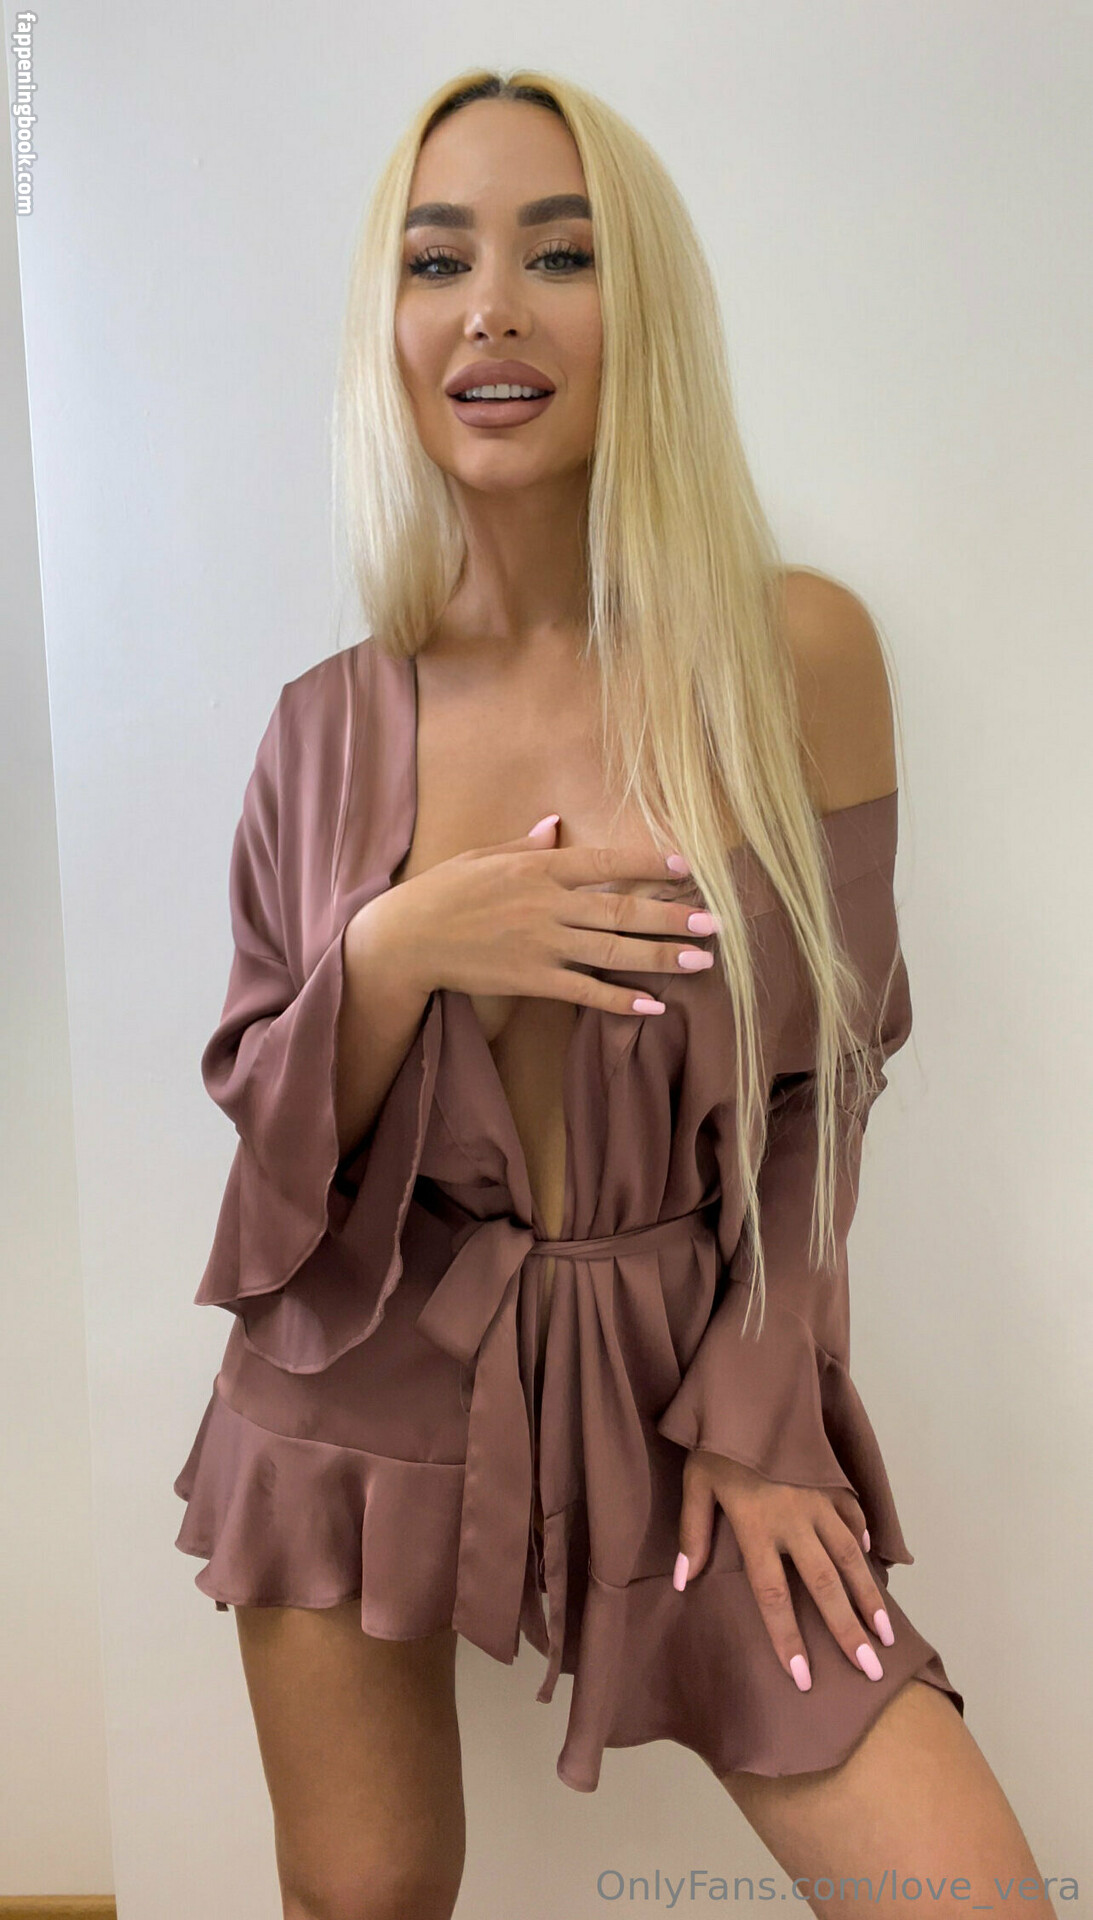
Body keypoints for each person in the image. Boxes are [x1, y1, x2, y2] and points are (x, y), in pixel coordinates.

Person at [173, 68, 1056, 1920]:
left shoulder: (792, 652)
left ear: (638, 305)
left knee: (965, 1895)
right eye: (438, 261)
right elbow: (272, 1159)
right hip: (358, 1375)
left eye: (558, 254)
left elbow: (829, 1086)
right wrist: (401, 949)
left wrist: (763, 1400)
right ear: (392, 326)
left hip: (680, 1375)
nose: (491, 306)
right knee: (359, 1901)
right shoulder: (324, 730)